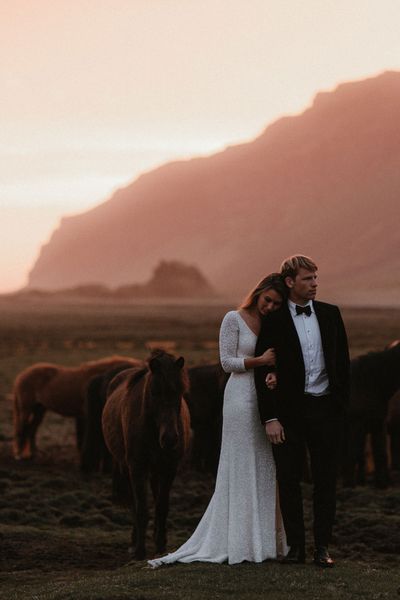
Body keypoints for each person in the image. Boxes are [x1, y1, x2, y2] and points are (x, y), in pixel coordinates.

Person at [148, 273, 288, 567]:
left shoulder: (272, 323)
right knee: (239, 462)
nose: (270, 307)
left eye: (277, 304)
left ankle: (263, 540)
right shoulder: (233, 319)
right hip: (239, 396)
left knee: (264, 464)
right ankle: (237, 540)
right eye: (267, 300)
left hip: (262, 395)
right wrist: (261, 362)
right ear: (258, 292)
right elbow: (226, 362)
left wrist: (273, 375)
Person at [254, 255, 350, 568]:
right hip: (289, 414)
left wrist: (339, 410)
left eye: (315, 278)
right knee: (289, 479)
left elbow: (343, 367)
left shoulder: (331, 314)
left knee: (325, 481)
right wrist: (270, 417)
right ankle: (296, 547)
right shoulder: (275, 321)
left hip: (326, 412)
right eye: (307, 279)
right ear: (290, 282)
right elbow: (262, 371)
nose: (314, 285)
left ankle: (322, 548)